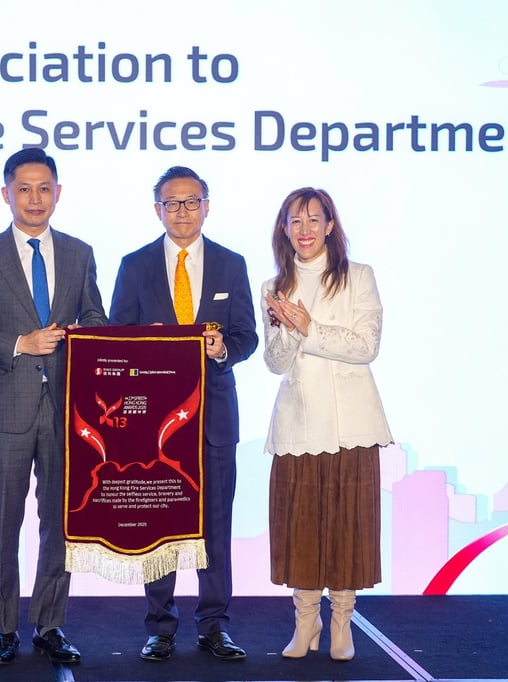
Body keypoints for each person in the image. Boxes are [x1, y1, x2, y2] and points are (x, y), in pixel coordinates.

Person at [0, 148, 107, 666]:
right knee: (3, 523)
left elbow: (97, 319)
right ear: (6, 194)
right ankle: (4, 626)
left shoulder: (81, 253)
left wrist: (88, 335)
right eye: (24, 189)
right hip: (4, 411)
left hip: (67, 411)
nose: (35, 198)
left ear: (58, 193)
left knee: (59, 523)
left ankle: (51, 624)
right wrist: (19, 343)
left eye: (44, 188)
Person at [109, 166, 257, 663]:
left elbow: (246, 337)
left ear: (207, 206)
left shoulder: (231, 265)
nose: (182, 211)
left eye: (191, 201)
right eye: (171, 203)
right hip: (154, 423)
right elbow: (116, 341)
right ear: (157, 210)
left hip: (214, 418)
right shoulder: (134, 266)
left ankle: (214, 625)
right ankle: (160, 626)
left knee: (215, 526)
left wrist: (222, 349)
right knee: (160, 525)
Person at [261, 187, 391, 662]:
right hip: (298, 423)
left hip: (352, 426)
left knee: (348, 527)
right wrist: (287, 330)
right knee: (299, 528)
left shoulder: (359, 277)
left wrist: (308, 326)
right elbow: (274, 363)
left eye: (315, 220)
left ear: (331, 226)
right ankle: (304, 620)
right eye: (295, 221)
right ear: (284, 230)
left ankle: (341, 621)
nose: (305, 230)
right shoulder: (273, 285)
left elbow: (365, 346)